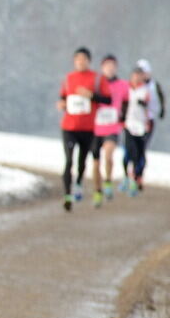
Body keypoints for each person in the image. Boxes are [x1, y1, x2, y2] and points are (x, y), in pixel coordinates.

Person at [57, 47, 110, 212]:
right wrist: (61, 104)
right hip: (69, 126)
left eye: (84, 59)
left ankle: (79, 181)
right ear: (74, 61)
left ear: (89, 61)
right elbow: (63, 98)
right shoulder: (68, 78)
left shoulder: (96, 79)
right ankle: (67, 194)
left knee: (82, 161)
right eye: (78, 59)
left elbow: (108, 99)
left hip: (88, 127)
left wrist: (92, 96)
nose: (80, 62)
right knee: (69, 160)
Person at [92, 54, 129, 202]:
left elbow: (127, 102)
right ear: (102, 67)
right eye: (107, 65)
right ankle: (97, 190)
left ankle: (107, 181)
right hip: (95, 127)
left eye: (112, 66)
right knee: (95, 162)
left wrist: (124, 118)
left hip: (112, 127)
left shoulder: (122, 85)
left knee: (108, 156)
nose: (110, 68)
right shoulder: (96, 84)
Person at [131, 58, 165, 190]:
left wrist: (162, 111)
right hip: (133, 122)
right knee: (132, 149)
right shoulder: (133, 86)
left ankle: (139, 174)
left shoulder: (154, 86)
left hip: (148, 121)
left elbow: (161, 99)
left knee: (142, 148)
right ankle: (134, 172)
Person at [122, 67, 151, 196]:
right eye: (134, 75)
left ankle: (137, 176)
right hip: (129, 124)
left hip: (141, 125)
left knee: (140, 153)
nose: (136, 78)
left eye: (139, 76)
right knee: (129, 150)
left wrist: (145, 107)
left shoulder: (146, 90)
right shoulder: (126, 89)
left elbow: (150, 108)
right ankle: (128, 177)